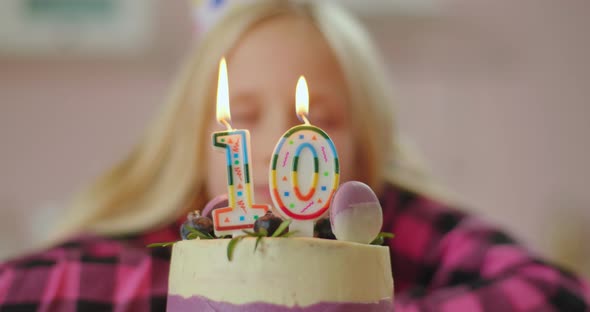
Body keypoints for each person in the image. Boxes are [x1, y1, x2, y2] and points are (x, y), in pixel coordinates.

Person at [1, 1, 589, 311]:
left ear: (364, 150)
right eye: (246, 116)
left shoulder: (388, 221)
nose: (277, 145)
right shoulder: (168, 236)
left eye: (320, 121)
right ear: (194, 139)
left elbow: (555, 294)